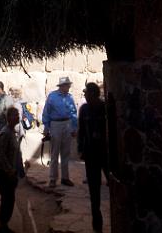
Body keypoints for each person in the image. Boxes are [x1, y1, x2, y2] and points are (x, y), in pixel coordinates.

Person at [78, 83, 109, 233]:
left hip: (105, 154)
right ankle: (97, 225)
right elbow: (81, 130)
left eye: (87, 93)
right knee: (94, 192)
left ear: (94, 94)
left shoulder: (104, 108)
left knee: (112, 184)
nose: (85, 95)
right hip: (91, 154)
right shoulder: (84, 109)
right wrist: (80, 148)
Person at [42, 76, 78, 188]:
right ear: (62, 86)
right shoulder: (52, 97)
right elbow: (46, 112)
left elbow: (73, 112)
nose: (68, 87)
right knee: (54, 152)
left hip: (67, 124)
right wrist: (46, 128)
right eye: (67, 85)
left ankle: (65, 178)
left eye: (69, 85)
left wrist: (74, 128)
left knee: (65, 153)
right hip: (55, 124)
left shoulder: (70, 97)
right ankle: (53, 178)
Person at [0, 106, 20, 233]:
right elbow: (1, 154)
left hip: (10, 171)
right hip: (4, 172)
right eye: (14, 115)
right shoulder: (5, 132)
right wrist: (9, 170)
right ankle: (2, 226)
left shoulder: (12, 131)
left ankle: (4, 225)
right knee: (7, 199)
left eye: (18, 114)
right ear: (8, 118)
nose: (17, 117)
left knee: (9, 199)